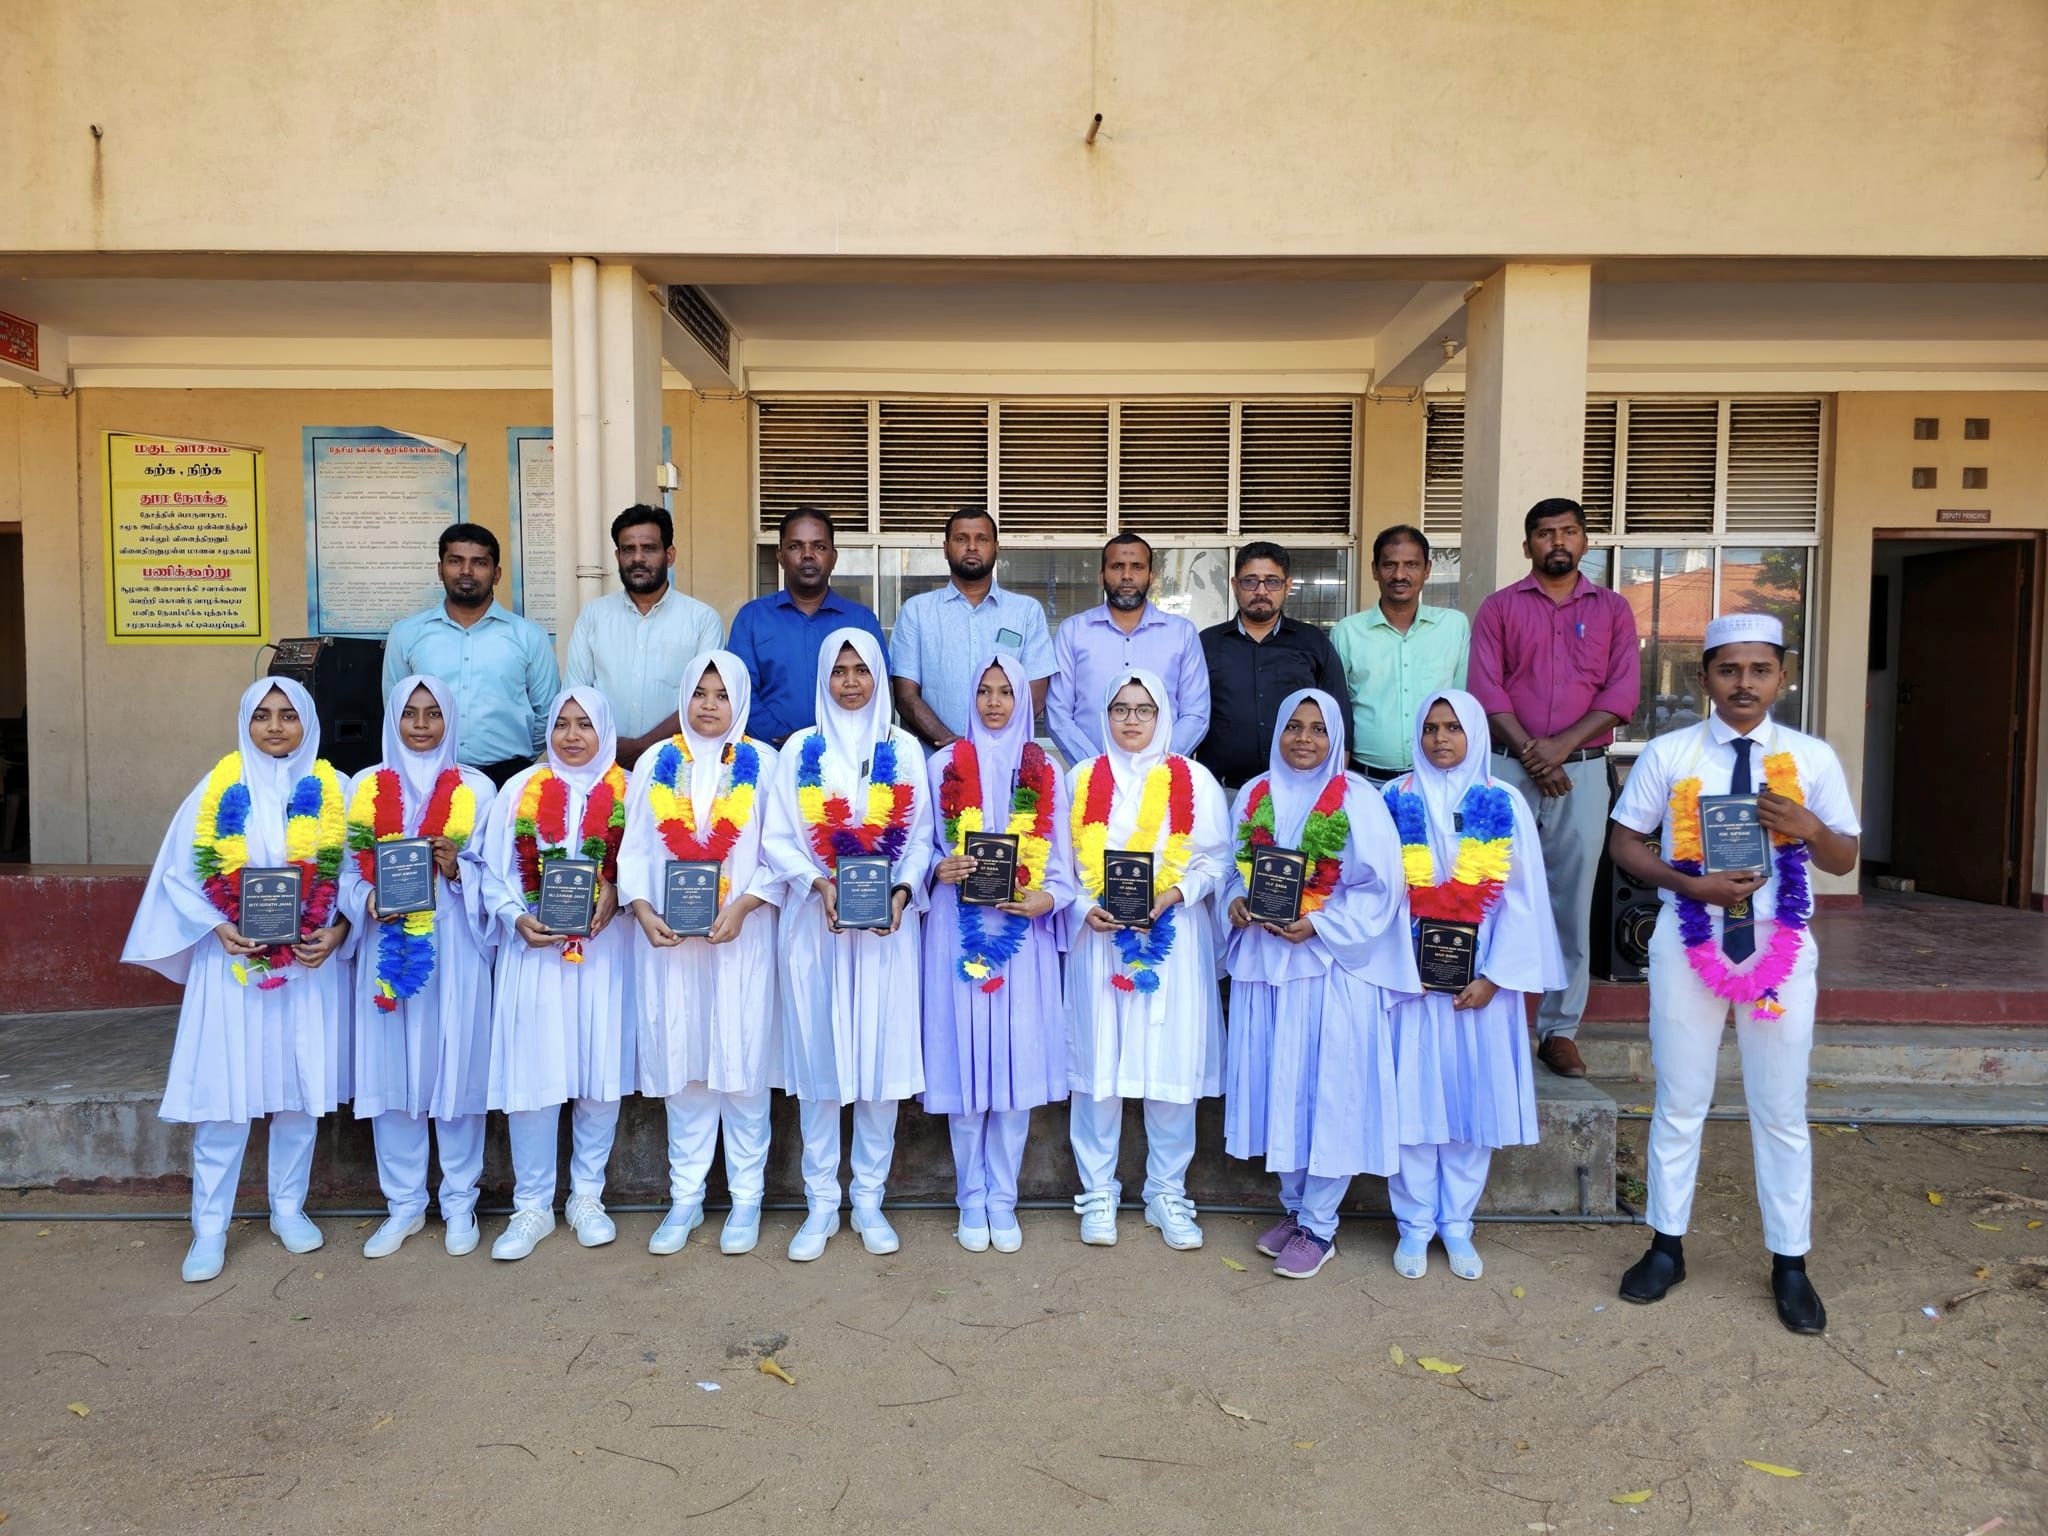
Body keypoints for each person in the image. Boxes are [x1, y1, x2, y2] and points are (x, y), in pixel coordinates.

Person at [1607, 613, 1859, 1334]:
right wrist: (1691, 886)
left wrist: (1810, 828)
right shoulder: (1672, 752)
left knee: (1780, 1109)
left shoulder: (1810, 757)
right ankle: (1666, 1246)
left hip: (1780, 948)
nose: (1744, 683)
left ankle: (1790, 1261)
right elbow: (1625, 842)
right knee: (1680, 1099)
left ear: (1783, 676)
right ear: (1705, 678)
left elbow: (1844, 858)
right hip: (1690, 942)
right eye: (1728, 670)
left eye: (1759, 670)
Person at [121, 678, 355, 1283]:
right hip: (233, 965)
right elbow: (178, 876)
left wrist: (339, 931)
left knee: (299, 1093)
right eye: (262, 715)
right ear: (246, 723)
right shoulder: (216, 787)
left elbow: (356, 876)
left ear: (308, 723)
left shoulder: (337, 788)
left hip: (305, 967)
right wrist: (218, 925)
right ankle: (210, 1228)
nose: (275, 727)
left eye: (288, 715)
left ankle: (288, 1208)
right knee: (224, 1101)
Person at [1221, 690, 1414, 1279]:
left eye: (1317, 729)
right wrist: (1235, 903)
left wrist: (1321, 924)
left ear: (1336, 739)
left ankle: (1321, 1226)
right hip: (1266, 968)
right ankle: (1295, 1207)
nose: (1304, 739)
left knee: (1328, 1092)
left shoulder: (1357, 798)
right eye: (1294, 726)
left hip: (1330, 971)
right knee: (1278, 1088)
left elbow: (1383, 888)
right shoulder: (1255, 794)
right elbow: (1234, 867)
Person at [762, 628, 934, 1260]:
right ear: (824, 678)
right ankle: (819, 1203)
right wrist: (818, 883)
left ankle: (867, 1199)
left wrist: (902, 891)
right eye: (840, 671)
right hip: (817, 926)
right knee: (820, 1067)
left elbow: (920, 837)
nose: (852, 682)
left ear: (879, 676)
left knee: (880, 1067)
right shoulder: (800, 748)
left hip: (888, 931)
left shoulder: (904, 749)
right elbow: (778, 838)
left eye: (862, 669)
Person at [1380, 691, 1563, 1280]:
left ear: (1476, 734)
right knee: (1410, 1103)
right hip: (1408, 979)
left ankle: (1456, 1222)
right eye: (1431, 727)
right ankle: (1413, 1224)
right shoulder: (1392, 798)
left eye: (1454, 728)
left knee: (1469, 1101)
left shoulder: (1502, 800)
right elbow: (1377, 890)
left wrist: (1495, 977)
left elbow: (1523, 898)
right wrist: (1395, 966)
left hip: (1480, 983)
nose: (1441, 738)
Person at [1469, 498, 1640, 1078]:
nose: (1557, 542)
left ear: (1585, 541)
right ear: (1528, 546)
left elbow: (1622, 694)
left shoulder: (1613, 609)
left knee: (1570, 900)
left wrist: (1559, 749)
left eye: (1568, 531)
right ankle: (1493, 1021)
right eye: (1545, 533)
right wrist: (1535, 755)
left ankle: (1559, 1030)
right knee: (1491, 891)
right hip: (1507, 770)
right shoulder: (1499, 608)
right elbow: (1486, 691)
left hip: (1582, 772)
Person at [621, 650, 784, 1257]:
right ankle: (684, 1198)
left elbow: (780, 850)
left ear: (739, 700)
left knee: (743, 1069)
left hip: (742, 936)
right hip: (671, 942)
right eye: (699, 693)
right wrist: (643, 908)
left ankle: (747, 1198)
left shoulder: (763, 763)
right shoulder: (654, 763)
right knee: (684, 1067)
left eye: (721, 694)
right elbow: (635, 850)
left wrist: (745, 905)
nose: (709, 705)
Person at [1064, 668, 1229, 1250]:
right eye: (1120, 708)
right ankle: (1097, 1191)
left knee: (1170, 1065)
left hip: (1172, 940)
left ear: (1163, 716)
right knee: (1099, 1068)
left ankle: (1166, 1191)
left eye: (1144, 709)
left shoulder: (1193, 778)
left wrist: (1175, 893)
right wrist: (1083, 905)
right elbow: (1060, 865)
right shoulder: (1082, 778)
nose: (1131, 720)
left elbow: (1217, 860)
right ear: (1104, 716)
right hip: (1099, 941)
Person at [921, 653, 1074, 1254]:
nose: (993, 702)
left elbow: (1063, 866)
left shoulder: (1047, 770)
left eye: (1006, 691)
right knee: (964, 1065)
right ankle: (970, 1197)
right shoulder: (941, 766)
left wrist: (1047, 899)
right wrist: (939, 868)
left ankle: (1003, 1199)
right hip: (956, 931)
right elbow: (920, 849)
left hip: (1022, 938)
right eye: (984, 690)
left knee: (1013, 1067)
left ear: (1023, 700)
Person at [341, 675, 498, 1259]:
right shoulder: (364, 786)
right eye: (410, 713)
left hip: (454, 945)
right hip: (386, 945)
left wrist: (457, 868)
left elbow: (497, 872)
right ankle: (403, 1205)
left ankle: (460, 1202)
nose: (422, 724)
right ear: (394, 718)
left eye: (434, 713)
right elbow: (343, 872)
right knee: (391, 1073)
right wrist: (366, 899)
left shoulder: (477, 788)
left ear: (450, 719)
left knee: (455, 1069)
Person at [477, 687, 635, 1260]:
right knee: (533, 1079)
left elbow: (645, 863)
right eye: (562, 723)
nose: (572, 735)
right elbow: (490, 872)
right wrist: (515, 917)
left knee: (598, 1075)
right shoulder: (520, 789)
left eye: (585, 724)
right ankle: (532, 1206)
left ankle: (587, 1196)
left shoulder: (631, 790)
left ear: (604, 731)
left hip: (605, 954)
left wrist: (617, 890)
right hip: (535, 955)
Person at [384, 523, 559, 787]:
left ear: (496, 574)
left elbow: (547, 713)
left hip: (507, 777)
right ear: (440, 569)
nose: (466, 571)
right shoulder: (406, 634)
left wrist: (514, 760)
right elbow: (395, 707)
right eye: (455, 561)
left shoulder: (530, 636)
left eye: (479, 562)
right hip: (427, 777)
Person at [565, 504, 725, 768]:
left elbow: (705, 701)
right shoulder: (593, 616)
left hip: (678, 766)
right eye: (628, 549)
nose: (637, 558)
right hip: (603, 762)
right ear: (618, 556)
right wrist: (607, 746)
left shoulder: (702, 620)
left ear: (669, 555)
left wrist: (643, 746)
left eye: (649, 548)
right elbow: (576, 694)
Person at [890, 506, 1056, 748]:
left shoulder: (1026, 612)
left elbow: (1036, 696)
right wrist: (955, 749)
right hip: (935, 762)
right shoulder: (916, 611)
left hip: (1008, 761)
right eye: (961, 539)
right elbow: (905, 696)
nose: (971, 547)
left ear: (996, 548)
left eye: (982, 539)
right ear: (945, 548)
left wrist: (993, 748)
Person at [1196, 541, 1349, 796]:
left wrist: (1333, 791)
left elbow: (1338, 715)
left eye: (1272, 581)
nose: (1261, 591)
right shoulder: (1207, 643)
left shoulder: (1312, 642)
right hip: (1222, 791)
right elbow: (1192, 713)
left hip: (1299, 790)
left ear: (1287, 586)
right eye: (1250, 581)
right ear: (1235, 585)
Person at [727, 507, 887, 747]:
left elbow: (877, 691)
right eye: (795, 546)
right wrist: (790, 742)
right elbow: (739, 690)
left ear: (834, 557)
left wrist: (835, 743)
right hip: (770, 754)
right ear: (780, 556)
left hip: (847, 754)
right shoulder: (752, 618)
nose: (808, 555)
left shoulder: (861, 621)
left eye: (819, 547)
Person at [1048, 533, 1211, 766]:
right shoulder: (1073, 631)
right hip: (1091, 777)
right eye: (1117, 566)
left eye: (1137, 567)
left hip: (1162, 777)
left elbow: (1196, 714)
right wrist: (1097, 768)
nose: (1126, 575)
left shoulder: (1182, 633)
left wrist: (1156, 766)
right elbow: (1058, 714)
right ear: (1101, 576)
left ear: (1151, 576)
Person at [1330, 525, 1471, 782]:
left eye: (1411, 565)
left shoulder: (1454, 626)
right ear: (1374, 570)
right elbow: (1338, 709)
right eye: (1389, 565)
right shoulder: (1347, 632)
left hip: (1436, 779)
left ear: (1427, 569)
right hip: (1366, 780)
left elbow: (1462, 703)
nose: (1399, 575)